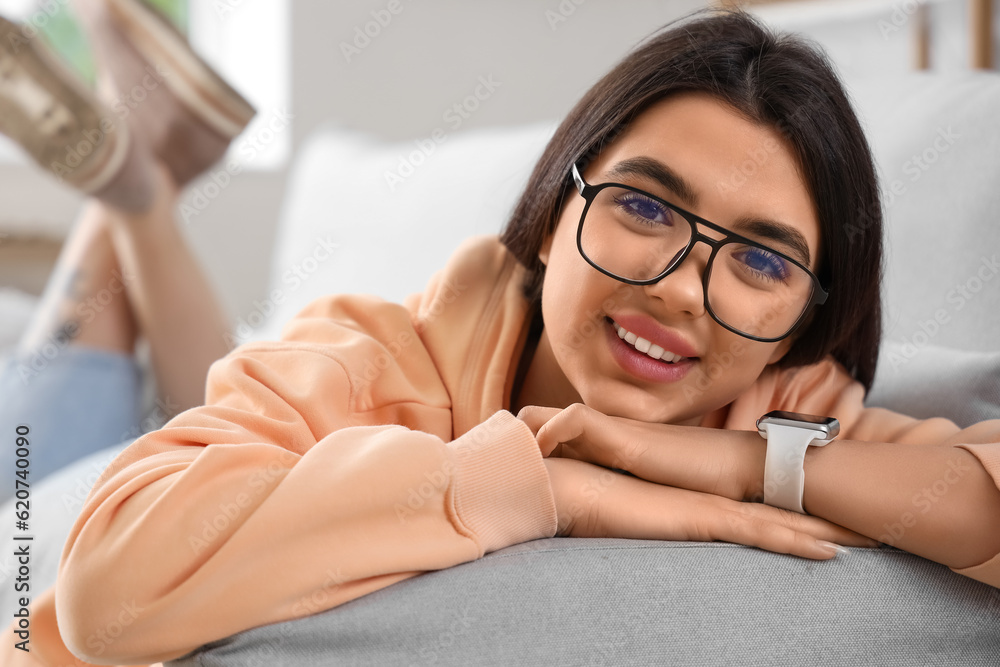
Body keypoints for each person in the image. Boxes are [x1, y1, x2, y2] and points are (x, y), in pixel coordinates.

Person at [0, 4, 998, 666]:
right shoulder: (365, 351)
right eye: (645, 209)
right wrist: (552, 482)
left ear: (804, 324)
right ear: (554, 210)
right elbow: (103, 592)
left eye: (762, 262)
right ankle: (137, 189)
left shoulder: (768, 419)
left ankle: (140, 185)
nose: (685, 291)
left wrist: (738, 465)